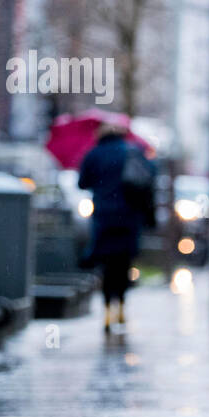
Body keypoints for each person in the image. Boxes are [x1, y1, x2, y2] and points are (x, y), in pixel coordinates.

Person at [77, 121, 156, 332]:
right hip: (129, 217)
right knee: (124, 264)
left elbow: (82, 183)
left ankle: (106, 312)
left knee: (107, 265)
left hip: (104, 217)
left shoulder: (94, 154)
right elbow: (150, 174)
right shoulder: (133, 152)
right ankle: (121, 307)